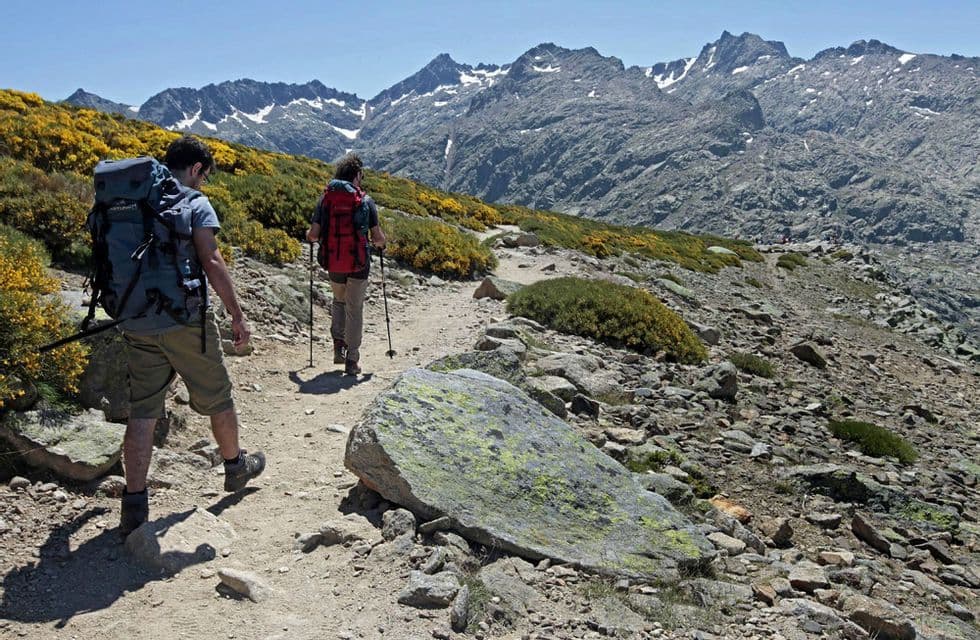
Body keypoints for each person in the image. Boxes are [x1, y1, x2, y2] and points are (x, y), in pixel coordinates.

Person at [119, 135, 266, 536]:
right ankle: (236, 468)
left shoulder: (131, 201)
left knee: (143, 411)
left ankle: (134, 505)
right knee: (217, 395)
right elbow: (211, 259)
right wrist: (237, 314)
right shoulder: (194, 203)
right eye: (204, 175)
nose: (203, 183)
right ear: (197, 169)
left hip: (135, 319)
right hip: (184, 321)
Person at [306, 153, 386, 375]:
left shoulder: (325, 199)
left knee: (338, 302)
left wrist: (311, 235)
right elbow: (378, 238)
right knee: (354, 308)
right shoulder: (365, 201)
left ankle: (338, 348)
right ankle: (352, 360)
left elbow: (313, 235)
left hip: (334, 262)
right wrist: (381, 243)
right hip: (359, 264)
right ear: (357, 175)